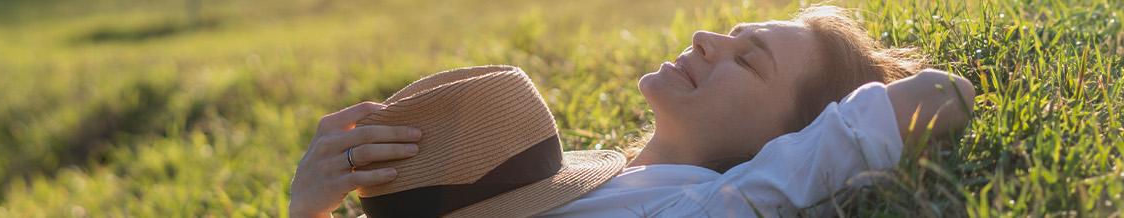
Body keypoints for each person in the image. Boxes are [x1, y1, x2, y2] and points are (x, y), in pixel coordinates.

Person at [289, 5, 976, 217]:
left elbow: (943, 94)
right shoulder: (583, 180)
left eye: (749, 59)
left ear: (785, 138)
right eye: (731, 36)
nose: (708, 41)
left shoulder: (709, 205)